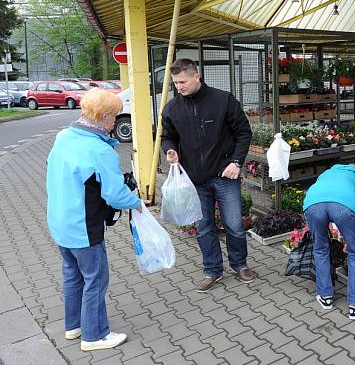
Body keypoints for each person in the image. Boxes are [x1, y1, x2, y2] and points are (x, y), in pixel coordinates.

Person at [46, 88, 143, 351]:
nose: (116, 121)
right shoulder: (99, 151)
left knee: (72, 276)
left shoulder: (64, 136)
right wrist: (137, 203)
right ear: (104, 117)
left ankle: (74, 326)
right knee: (96, 279)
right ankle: (95, 336)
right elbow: (114, 194)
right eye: (114, 116)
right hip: (84, 228)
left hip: (60, 223)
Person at [161, 58, 253, 292]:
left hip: (225, 175)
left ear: (196, 77)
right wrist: (169, 150)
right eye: (175, 82)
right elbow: (167, 136)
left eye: (182, 81)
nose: (179, 86)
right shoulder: (172, 108)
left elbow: (244, 132)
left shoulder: (223, 100)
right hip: (194, 179)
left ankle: (239, 264)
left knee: (234, 225)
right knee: (203, 227)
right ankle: (212, 270)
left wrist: (236, 162)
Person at [302, 164, 355, 320]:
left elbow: (325, 199)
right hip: (343, 206)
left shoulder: (326, 173)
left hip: (312, 204)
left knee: (320, 248)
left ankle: (325, 296)